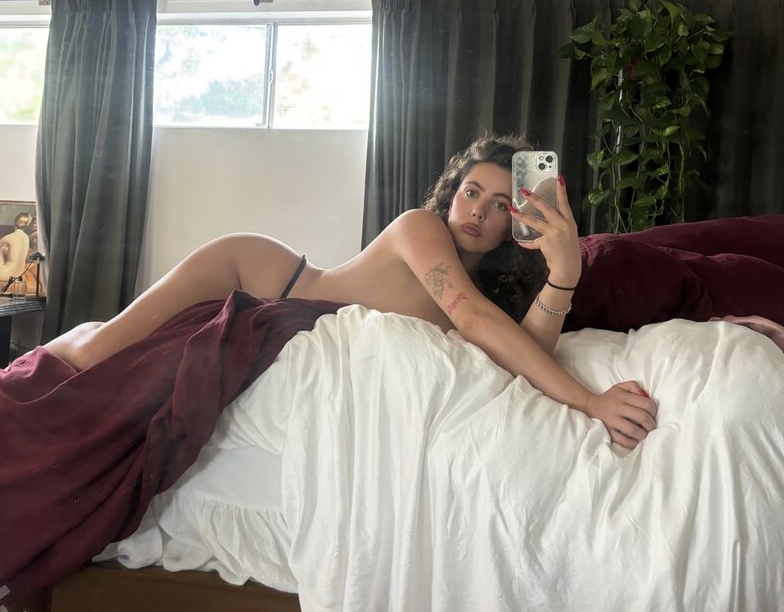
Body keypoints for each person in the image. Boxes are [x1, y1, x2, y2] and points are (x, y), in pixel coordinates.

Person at [45, 134, 657, 449]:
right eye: (471, 192)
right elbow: (471, 320)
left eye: (500, 204)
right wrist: (590, 402)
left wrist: (563, 271)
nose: (477, 210)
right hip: (255, 275)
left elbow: (525, 354)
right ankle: (53, 351)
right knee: (93, 359)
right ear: (451, 195)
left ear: (513, 221)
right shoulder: (420, 229)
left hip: (285, 306)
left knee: (118, 369)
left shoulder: (482, 289)